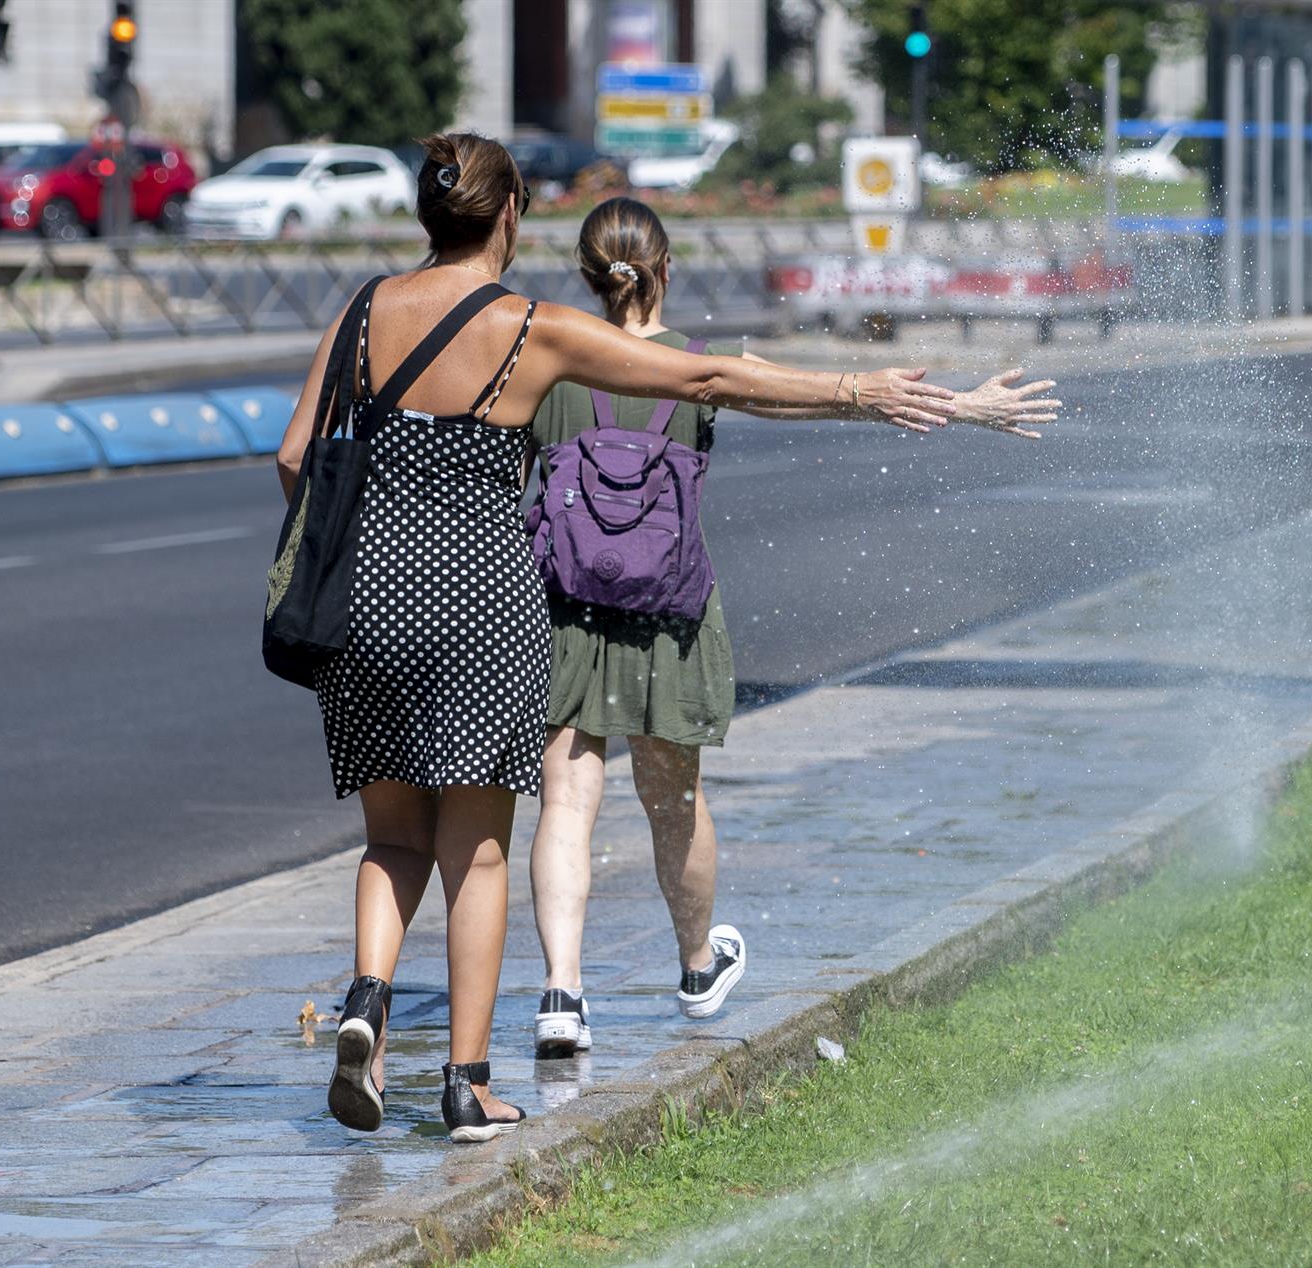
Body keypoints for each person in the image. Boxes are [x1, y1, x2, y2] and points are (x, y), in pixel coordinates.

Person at [276, 135, 980, 1144]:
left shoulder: (357, 314)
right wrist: (856, 389)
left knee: (392, 837)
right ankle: (467, 1082)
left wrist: (367, 544)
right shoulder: (534, 329)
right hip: (481, 602)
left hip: (368, 606)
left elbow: (295, 454)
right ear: (510, 214)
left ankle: (367, 997)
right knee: (475, 851)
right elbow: (699, 379)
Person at [526, 197, 1059, 1057]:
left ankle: (562, 994)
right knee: (673, 800)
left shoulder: (546, 367)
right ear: (665, 270)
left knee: (568, 796)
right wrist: (962, 407)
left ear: (589, 277)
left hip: (568, 611)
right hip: (671, 614)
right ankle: (698, 967)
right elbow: (807, 399)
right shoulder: (703, 367)